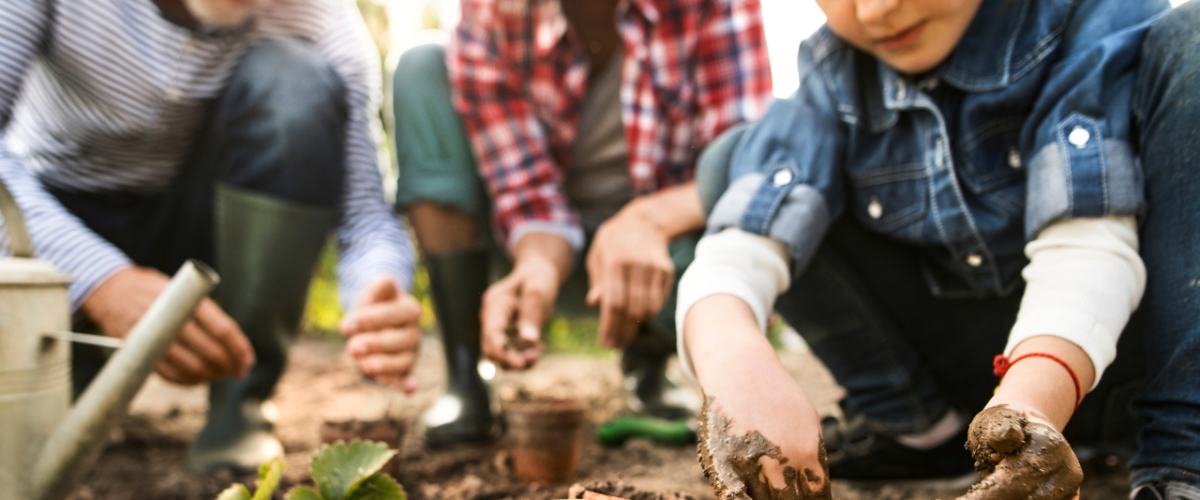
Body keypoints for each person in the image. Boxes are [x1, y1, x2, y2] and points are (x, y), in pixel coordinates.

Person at [676, 0, 1200, 497]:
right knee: (734, 164)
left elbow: (1087, 243)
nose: (875, 11)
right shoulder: (834, 70)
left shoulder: (1088, 18)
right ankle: (922, 434)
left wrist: (1029, 405)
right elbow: (741, 245)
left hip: (1124, 362)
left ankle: (1184, 457)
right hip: (974, 379)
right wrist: (736, 363)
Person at [0, 0, 423, 475]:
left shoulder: (322, 16)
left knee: (296, 81)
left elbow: (364, 217)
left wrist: (377, 291)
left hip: (208, 232)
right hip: (55, 229)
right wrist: (97, 279)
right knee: (34, 425)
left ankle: (239, 405)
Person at [388, 0, 773, 446]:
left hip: (665, 254)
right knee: (421, 67)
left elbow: (744, 166)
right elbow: (526, 190)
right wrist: (538, 265)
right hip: (531, 248)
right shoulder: (491, 11)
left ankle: (649, 358)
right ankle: (465, 369)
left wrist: (647, 222)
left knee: (740, 229)